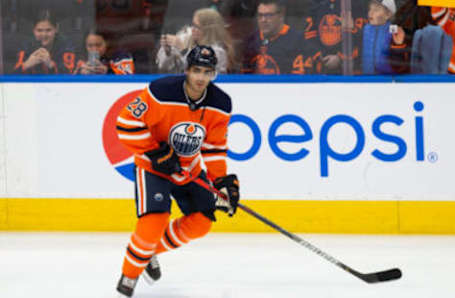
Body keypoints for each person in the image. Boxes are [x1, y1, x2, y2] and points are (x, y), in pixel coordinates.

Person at [115, 45, 240, 298]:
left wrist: (222, 183)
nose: (201, 78)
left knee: (202, 222)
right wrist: (156, 152)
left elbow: (214, 148)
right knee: (154, 221)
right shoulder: (160, 91)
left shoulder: (221, 103)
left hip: (189, 171)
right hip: (153, 168)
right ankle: (129, 275)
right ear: (186, 70)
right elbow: (125, 124)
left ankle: (148, 253)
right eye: (196, 71)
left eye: (207, 72)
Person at [242, 0, 319, 74]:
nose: (263, 20)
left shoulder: (299, 42)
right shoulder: (250, 41)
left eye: (269, 15)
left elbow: (300, 81)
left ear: (281, 15)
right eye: (260, 15)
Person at [156, 8, 236, 73]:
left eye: (197, 26)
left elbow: (196, 73)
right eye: (192, 25)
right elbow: (163, 67)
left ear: (208, 30)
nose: (192, 29)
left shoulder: (218, 52)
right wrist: (168, 51)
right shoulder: (187, 38)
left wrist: (183, 50)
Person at [303, 0, 368, 74]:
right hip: (321, 69)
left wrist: (340, 57)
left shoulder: (356, 5)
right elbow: (309, 35)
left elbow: (362, 38)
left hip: (350, 72)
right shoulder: (317, 4)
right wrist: (319, 55)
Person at [13, 9, 76, 74]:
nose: (44, 35)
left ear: (56, 29)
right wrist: (27, 64)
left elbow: (70, 74)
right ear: (33, 30)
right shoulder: (26, 45)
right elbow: (12, 77)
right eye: (39, 30)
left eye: (48, 30)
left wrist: (50, 64)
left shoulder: (66, 45)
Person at [361, 0, 396, 74]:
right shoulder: (366, 29)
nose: (370, 13)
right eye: (370, 9)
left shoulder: (393, 31)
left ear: (388, 15)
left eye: (376, 10)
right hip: (367, 78)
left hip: (387, 79)